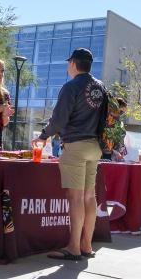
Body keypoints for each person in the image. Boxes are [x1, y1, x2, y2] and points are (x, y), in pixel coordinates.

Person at [32, 48, 106, 260]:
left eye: (68, 63)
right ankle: (87, 246)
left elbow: (59, 119)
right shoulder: (100, 87)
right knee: (90, 196)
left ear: (73, 63)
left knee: (75, 198)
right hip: (95, 146)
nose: (67, 67)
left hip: (75, 145)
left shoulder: (71, 86)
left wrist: (44, 136)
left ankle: (73, 248)